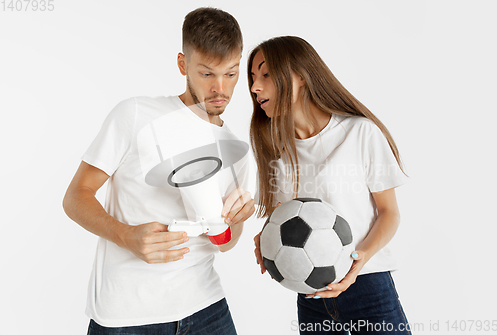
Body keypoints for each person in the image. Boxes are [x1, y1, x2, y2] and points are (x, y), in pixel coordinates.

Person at [63, 7, 255, 334]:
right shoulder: (135, 114)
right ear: (183, 65)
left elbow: (225, 243)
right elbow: (75, 197)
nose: (220, 89)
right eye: (207, 74)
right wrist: (125, 236)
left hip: (206, 307)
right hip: (127, 316)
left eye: (232, 73)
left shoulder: (235, 148)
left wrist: (235, 220)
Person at [250, 36, 411, 334]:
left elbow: (390, 213)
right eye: (252, 78)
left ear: (299, 75)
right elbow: (281, 215)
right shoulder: (276, 148)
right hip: (310, 294)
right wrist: (267, 237)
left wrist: (358, 262)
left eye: (265, 74)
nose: (255, 87)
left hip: (367, 285)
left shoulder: (360, 132)